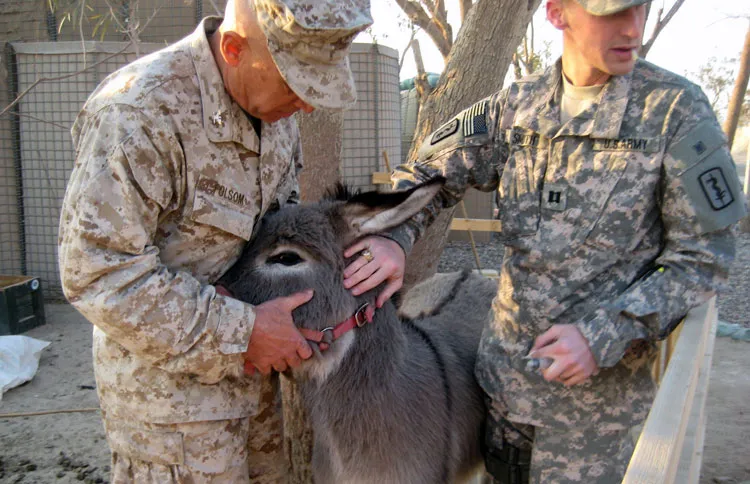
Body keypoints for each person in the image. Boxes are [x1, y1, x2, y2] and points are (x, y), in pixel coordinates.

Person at [345, 0, 747, 482]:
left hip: (594, 418)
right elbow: (425, 176)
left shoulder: (673, 111)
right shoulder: (516, 107)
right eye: (612, 13)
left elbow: (705, 256)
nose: (633, 28)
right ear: (558, 13)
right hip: (502, 391)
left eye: (641, 8)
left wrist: (603, 335)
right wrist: (395, 236)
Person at [57, 0, 371, 482]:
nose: (306, 104)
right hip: (173, 420)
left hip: (257, 401)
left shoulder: (276, 116)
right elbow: (96, 271)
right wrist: (242, 331)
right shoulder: (138, 112)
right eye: (295, 82)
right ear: (233, 48)